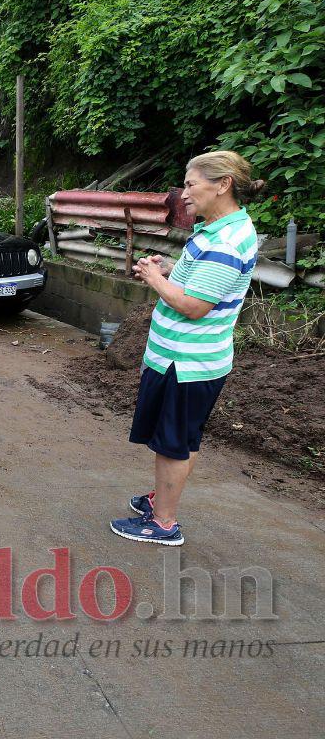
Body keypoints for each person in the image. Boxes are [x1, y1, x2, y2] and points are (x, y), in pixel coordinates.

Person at [110, 151, 263, 545]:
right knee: (179, 438)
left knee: (173, 444)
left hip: (188, 361)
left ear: (223, 184)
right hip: (184, 358)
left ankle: (163, 523)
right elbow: (195, 284)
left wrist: (153, 277)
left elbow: (194, 306)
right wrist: (168, 273)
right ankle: (162, 499)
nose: (184, 193)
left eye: (192, 184)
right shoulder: (216, 229)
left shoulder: (226, 241)